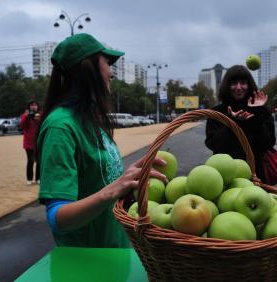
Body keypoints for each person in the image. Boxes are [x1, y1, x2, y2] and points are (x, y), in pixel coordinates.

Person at [36, 33, 167, 248]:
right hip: (87, 264)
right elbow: (58, 218)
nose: (112, 73)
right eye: (107, 63)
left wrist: (127, 177)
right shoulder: (60, 127)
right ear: (89, 68)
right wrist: (114, 189)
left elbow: (100, 182)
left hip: (116, 251)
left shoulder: (90, 120)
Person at [205, 65, 276, 183]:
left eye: (243, 83)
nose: (238, 87)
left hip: (255, 175)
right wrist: (233, 123)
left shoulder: (260, 110)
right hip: (223, 175)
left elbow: (268, 143)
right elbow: (213, 144)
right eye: (233, 83)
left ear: (249, 85)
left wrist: (257, 113)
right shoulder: (216, 112)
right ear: (227, 86)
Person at [19, 101, 41, 185]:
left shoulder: (40, 115)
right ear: (29, 107)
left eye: (35, 105)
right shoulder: (25, 116)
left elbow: (43, 124)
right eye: (32, 105)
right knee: (30, 161)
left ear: (38, 107)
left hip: (39, 142)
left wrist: (38, 119)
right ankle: (29, 179)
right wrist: (26, 116)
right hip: (28, 143)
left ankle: (38, 178)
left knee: (39, 161)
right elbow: (21, 126)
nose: (34, 107)